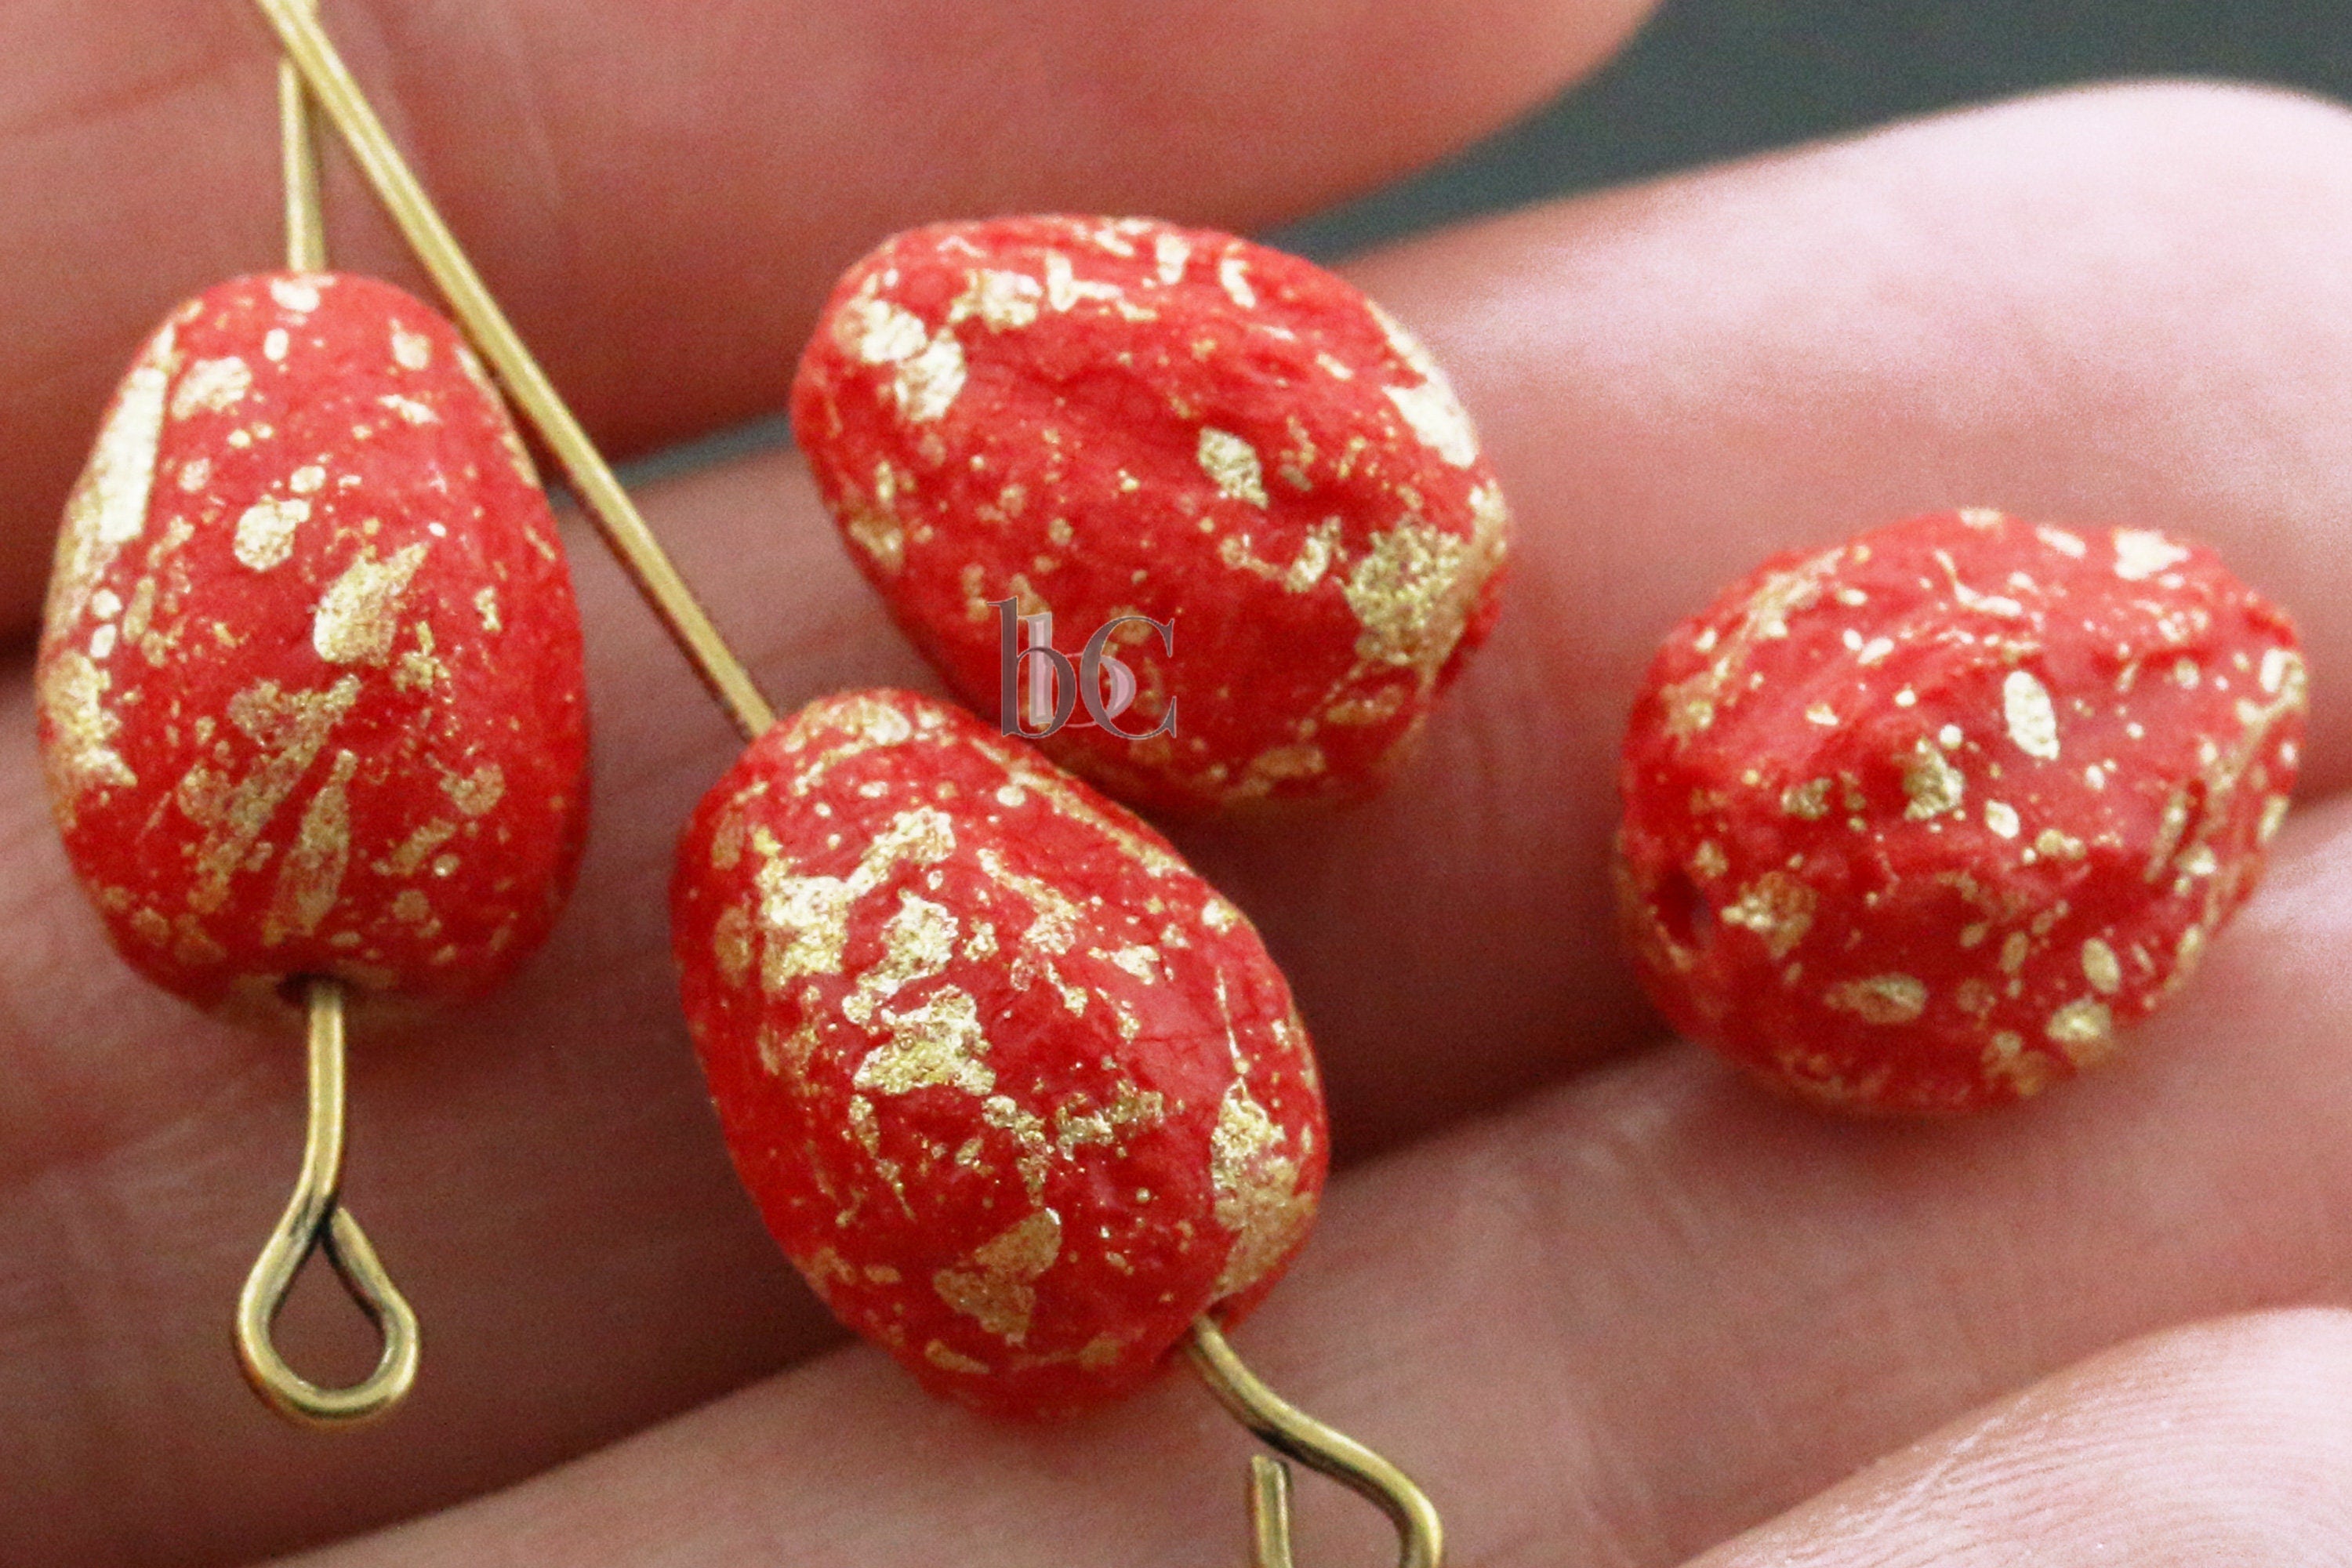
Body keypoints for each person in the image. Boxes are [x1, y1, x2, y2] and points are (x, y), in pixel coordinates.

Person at [11, 3, 2352, 1563]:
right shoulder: (989, 686)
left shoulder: (1049, 679)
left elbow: (1088, 677)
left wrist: (1039, 705)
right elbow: (1071, 678)